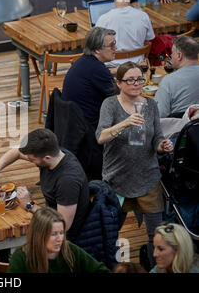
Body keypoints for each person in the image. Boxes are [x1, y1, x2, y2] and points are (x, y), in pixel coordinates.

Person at [96, 61, 174, 269]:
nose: (136, 83)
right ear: (119, 83)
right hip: (117, 179)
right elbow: (101, 137)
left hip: (148, 178)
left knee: (156, 235)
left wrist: (162, 145)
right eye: (130, 80)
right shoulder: (110, 105)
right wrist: (125, 122)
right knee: (110, 231)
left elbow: (156, 137)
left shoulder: (151, 105)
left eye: (139, 78)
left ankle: (155, 268)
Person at [0, 128, 89, 243]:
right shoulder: (54, 153)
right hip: (46, 217)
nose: (28, 160)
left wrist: (30, 204)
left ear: (47, 158)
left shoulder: (67, 181)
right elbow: (17, 152)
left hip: (62, 239)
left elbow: (62, 225)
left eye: (31, 159)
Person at [7, 207, 110, 273]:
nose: (60, 239)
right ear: (39, 235)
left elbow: (100, 270)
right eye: (53, 234)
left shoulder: (70, 249)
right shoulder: (21, 257)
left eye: (61, 233)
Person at [61, 27, 117, 129]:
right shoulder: (97, 69)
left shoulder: (85, 61)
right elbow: (118, 98)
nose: (116, 48)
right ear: (97, 49)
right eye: (112, 45)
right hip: (90, 129)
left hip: (73, 124)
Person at [96, 0, 155, 68]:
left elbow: (97, 47)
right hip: (137, 66)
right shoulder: (143, 16)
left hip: (111, 68)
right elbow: (147, 41)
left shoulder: (103, 19)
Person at [154, 36, 199, 118]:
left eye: (172, 52)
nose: (171, 55)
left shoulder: (168, 81)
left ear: (179, 56)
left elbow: (159, 116)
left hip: (179, 128)